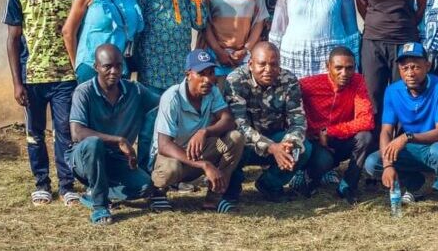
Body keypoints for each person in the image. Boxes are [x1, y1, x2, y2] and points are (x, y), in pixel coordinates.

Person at [3, 0, 79, 206]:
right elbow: (12, 40)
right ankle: (42, 184)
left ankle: (68, 185)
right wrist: (17, 82)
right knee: (34, 134)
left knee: (65, 133)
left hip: (65, 77)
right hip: (32, 77)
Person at [354, 0, 432, 138]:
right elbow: (362, 3)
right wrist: (376, 23)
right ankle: (374, 151)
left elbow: (422, 4)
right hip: (373, 41)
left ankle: (401, 149)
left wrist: (406, 24)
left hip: (405, 43)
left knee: (403, 94)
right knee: (374, 95)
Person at [364, 42, 438, 215]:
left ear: (427, 65)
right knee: (373, 162)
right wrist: (388, 165)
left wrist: (406, 137)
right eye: (405, 68)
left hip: (434, 145)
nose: (410, 73)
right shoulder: (393, 91)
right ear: (399, 69)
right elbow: (386, 131)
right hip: (409, 148)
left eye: (416, 67)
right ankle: (415, 184)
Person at [67, 44, 160, 225]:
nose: (114, 71)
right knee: (94, 143)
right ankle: (100, 206)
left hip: (116, 160)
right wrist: (119, 140)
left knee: (144, 186)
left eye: (118, 65)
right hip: (84, 158)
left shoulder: (135, 90)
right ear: (96, 67)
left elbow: (163, 103)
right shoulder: (84, 92)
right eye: (107, 66)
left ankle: (94, 192)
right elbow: (77, 133)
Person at [148, 50, 244, 212]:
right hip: (173, 157)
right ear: (188, 74)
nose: (207, 79)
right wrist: (204, 164)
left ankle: (215, 196)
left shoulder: (212, 91)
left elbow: (228, 120)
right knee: (171, 169)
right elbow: (164, 145)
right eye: (201, 74)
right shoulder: (172, 97)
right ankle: (158, 193)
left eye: (211, 73)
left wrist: (204, 132)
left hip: (198, 151)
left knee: (236, 138)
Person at [222, 42, 312, 206]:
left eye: (273, 64)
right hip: (245, 144)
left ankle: (269, 185)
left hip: (276, 138)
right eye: (262, 64)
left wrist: (289, 142)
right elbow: (239, 125)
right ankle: (231, 187)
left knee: (302, 147)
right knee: (231, 141)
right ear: (250, 64)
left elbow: (298, 120)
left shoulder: (289, 80)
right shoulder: (235, 81)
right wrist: (272, 147)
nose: (268, 70)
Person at [298, 47, 374, 203]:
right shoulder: (309, 84)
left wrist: (330, 131)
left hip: (340, 138)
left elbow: (366, 120)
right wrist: (308, 130)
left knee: (365, 137)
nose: (344, 73)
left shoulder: (358, 81)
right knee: (323, 161)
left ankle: (348, 186)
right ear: (328, 67)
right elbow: (290, 99)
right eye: (338, 68)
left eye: (349, 68)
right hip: (316, 141)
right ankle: (309, 178)